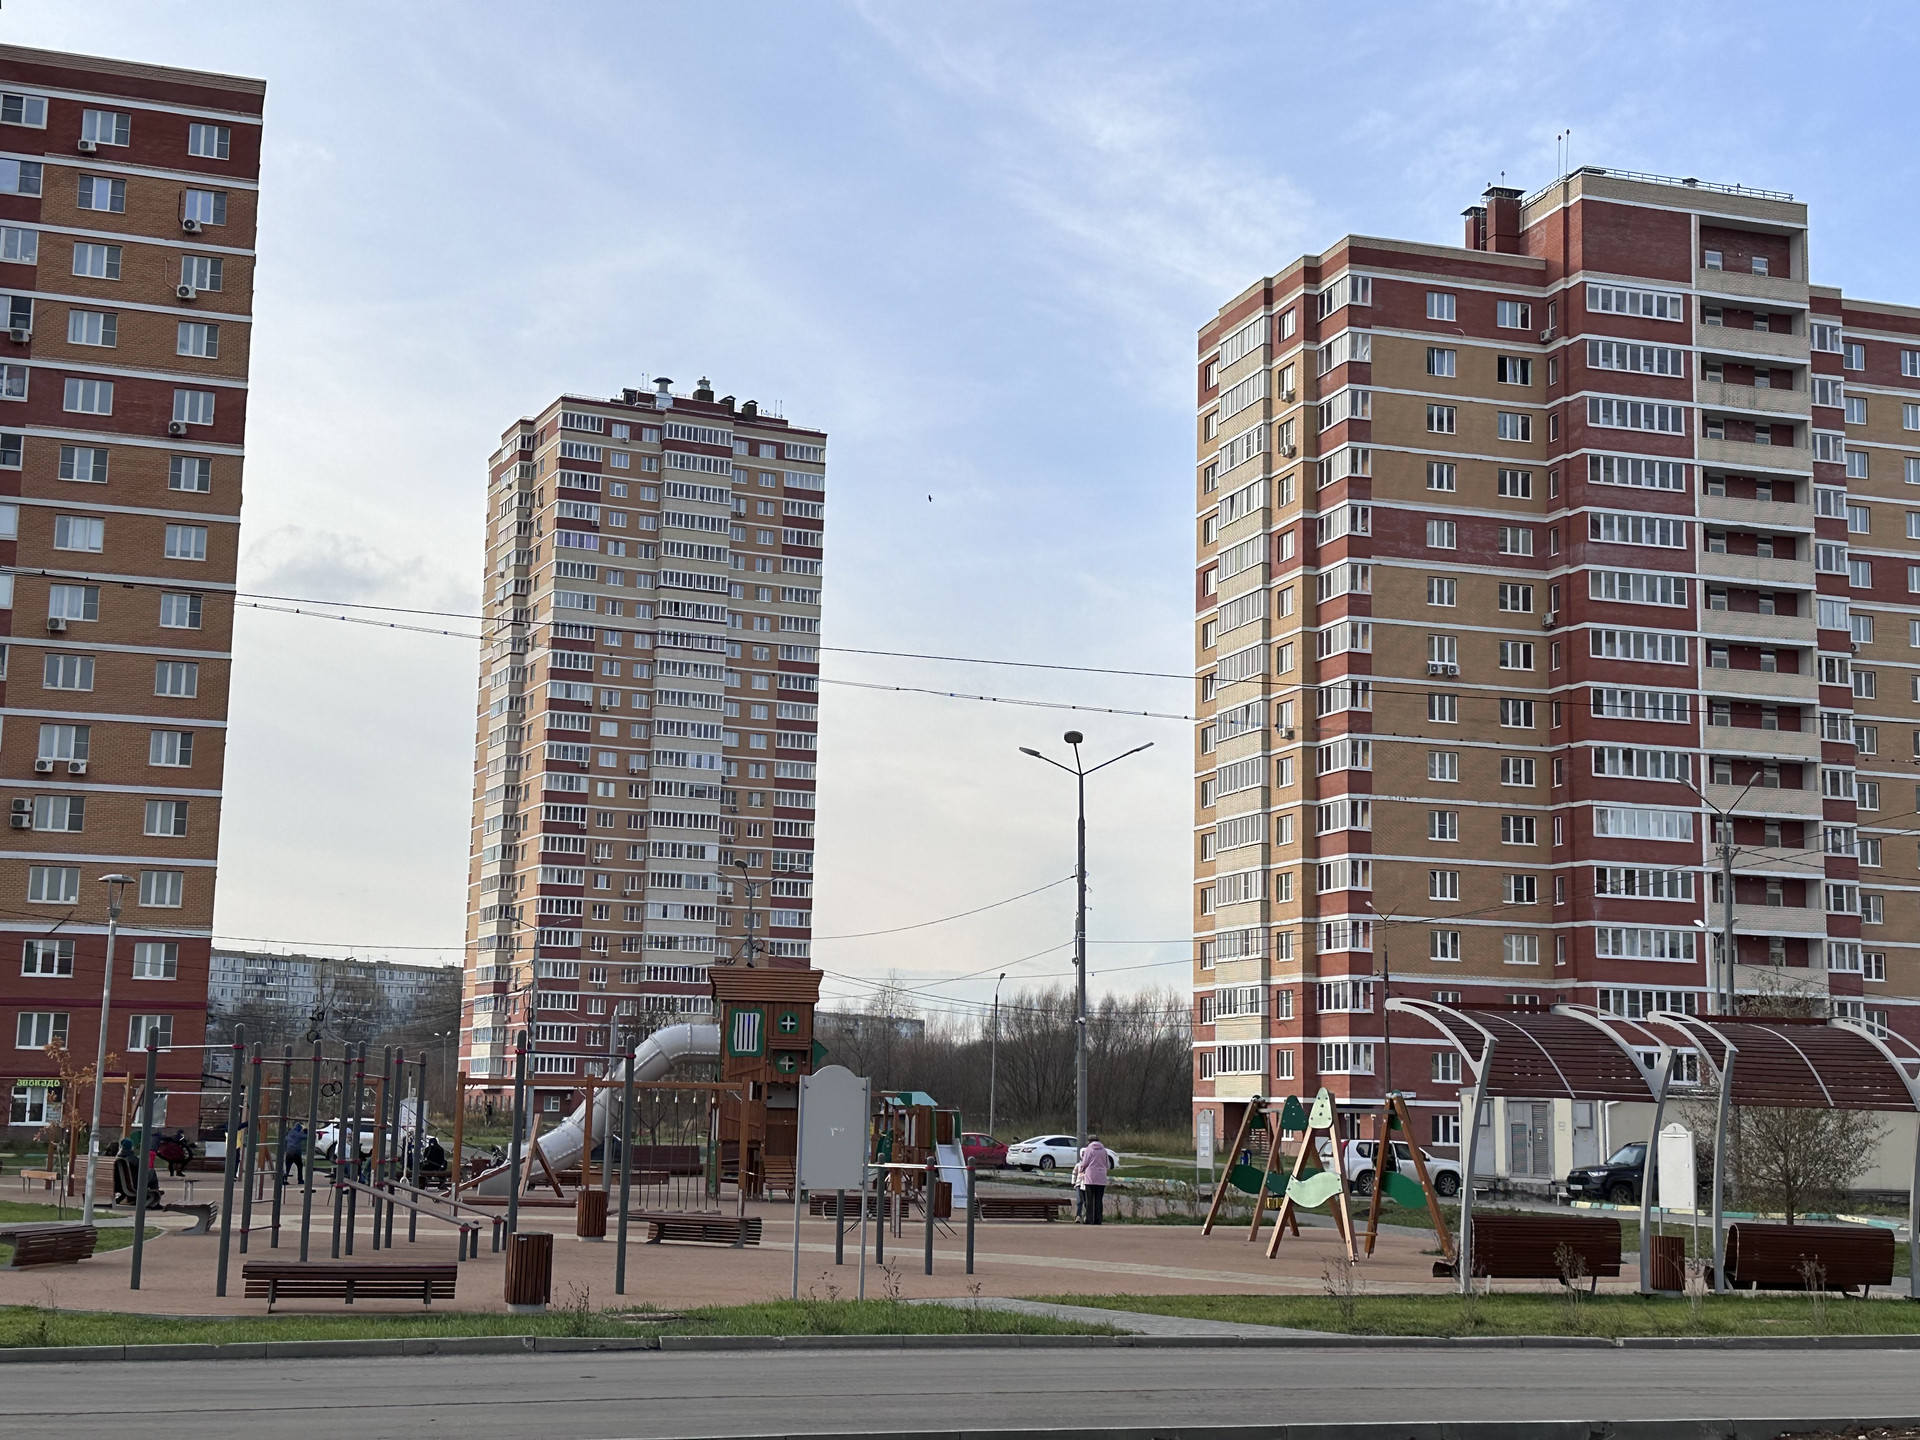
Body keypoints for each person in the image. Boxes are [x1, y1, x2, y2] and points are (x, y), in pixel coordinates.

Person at [1077, 1135, 1116, 1225]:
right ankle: (1098, 1219)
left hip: (1090, 1177)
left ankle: (1089, 1220)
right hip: (1101, 1177)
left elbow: (1085, 1162)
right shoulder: (1104, 1150)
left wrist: (1082, 1169)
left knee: (1089, 1200)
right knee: (1098, 1200)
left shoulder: (1088, 1149)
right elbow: (1108, 1164)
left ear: (1089, 1141)